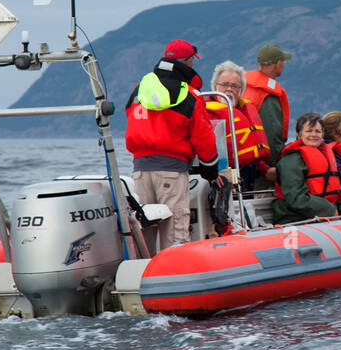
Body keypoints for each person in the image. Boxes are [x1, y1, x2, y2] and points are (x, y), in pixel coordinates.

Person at [125, 39, 219, 250]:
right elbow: (204, 138)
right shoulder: (190, 94)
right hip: (172, 173)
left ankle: (142, 276)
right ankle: (175, 278)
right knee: (175, 233)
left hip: (139, 172)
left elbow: (130, 115)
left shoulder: (139, 90)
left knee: (143, 233)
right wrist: (211, 172)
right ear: (188, 62)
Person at [272, 111, 341, 224]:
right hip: (294, 217)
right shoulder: (291, 159)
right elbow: (296, 198)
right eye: (309, 131)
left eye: (318, 131)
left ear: (323, 134)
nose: (314, 134)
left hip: (324, 216)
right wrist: (330, 210)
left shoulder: (326, 155)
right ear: (299, 134)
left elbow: (337, 194)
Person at [206, 60, 272, 191]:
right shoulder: (207, 113)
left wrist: (268, 171)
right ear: (215, 87)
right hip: (222, 181)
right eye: (225, 84)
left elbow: (249, 155)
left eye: (235, 86)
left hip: (248, 176)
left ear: (241, 90)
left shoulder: (246, 111)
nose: (229, 89)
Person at [241, 44, 292, 174]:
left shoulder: (245, 86)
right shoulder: (267, 94)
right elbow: (271, 133)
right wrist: (274, 167)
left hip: (245, 158)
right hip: (263, 167)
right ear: (278, 64)